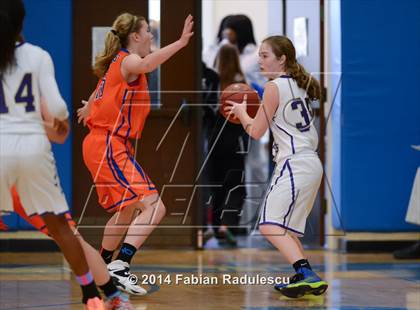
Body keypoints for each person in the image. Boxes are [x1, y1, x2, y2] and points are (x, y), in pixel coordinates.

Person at [77, 12, 194, 295]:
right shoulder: (129, 59)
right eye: (148, 31)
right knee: (155, 206)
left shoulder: (117, 65)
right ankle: (121, 265)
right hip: (107, 144)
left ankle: (103, 266)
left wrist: (89, 107)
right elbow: (147, 63)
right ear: (135, 37)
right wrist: (180, 42)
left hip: (103, 144)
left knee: (127, 209)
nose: (152, 36)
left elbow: (97, 93)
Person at [0, 1, 103, 308]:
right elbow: (58, 108)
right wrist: (56, 120)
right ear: (22, 23)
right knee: (60, 227)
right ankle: (90, 294)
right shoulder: (38, 56)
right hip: (32, 145)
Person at [224, 35, 328, 298]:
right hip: (310, 163)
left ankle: (306, 273)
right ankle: (304, 277)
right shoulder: (300, 84)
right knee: (286, 228)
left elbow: (256, 131)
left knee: (269, 226)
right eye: (259, 55)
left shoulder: (274, 87)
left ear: (282, 59)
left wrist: (241, 112)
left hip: (294, 164)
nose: (260, 60)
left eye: (265, 55)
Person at [205, 44, 249, 246]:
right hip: (234, 141)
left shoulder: (213, 82)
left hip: (214, 141)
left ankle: (216, 227)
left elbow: (206, 112)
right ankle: (227, 224)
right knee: (237, 185)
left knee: (217, 186)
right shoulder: (242, 85)